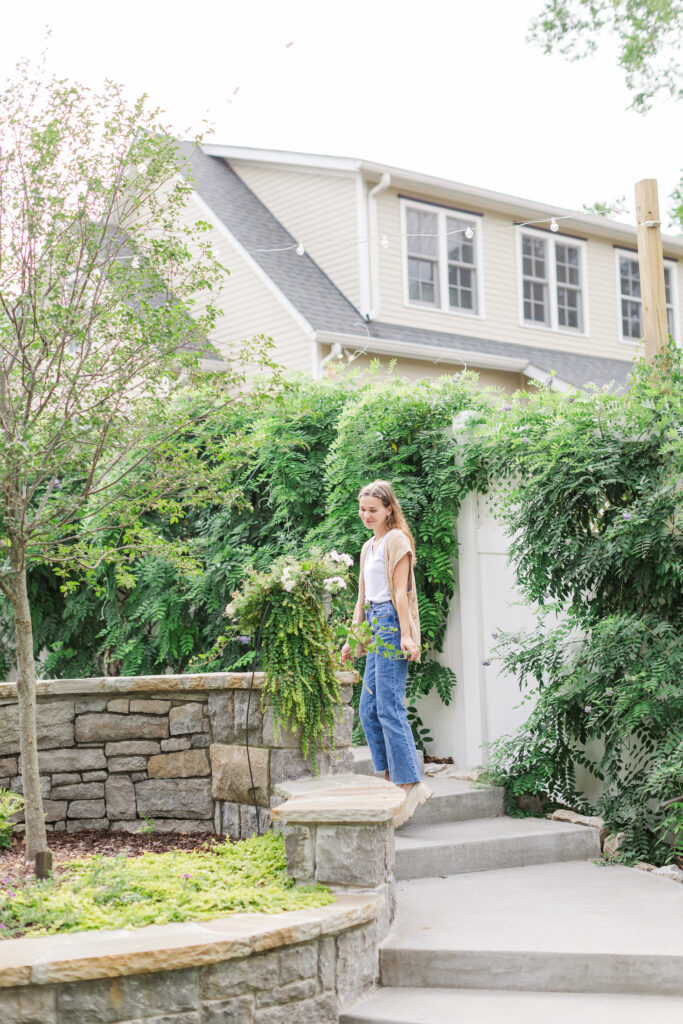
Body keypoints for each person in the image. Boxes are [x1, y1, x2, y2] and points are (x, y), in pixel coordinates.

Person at [342, 480, 432, 828]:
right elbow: (362, 597)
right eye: (363, 509)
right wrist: (354, 637)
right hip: (374, 624)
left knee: (388, 706)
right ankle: (391, 778)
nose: (366, 515)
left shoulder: (397, 541)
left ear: (389, 510)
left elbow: (400, 591)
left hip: (392, 625)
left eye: (373, 510)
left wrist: (407, 635)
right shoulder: (369, 546)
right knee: (367, 709)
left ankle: (409, 783)